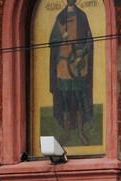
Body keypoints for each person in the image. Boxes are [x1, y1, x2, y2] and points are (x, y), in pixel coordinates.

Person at [48, 0, 94, 146]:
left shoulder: (82, 16)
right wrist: (62, 37)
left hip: (77, 65)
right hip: (62, 65)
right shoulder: (60, 18)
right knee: (66, 99)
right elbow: (51, 42)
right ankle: (67, 133)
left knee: (80, 98)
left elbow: (89, 41)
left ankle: (81, 132)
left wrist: (82, 54)